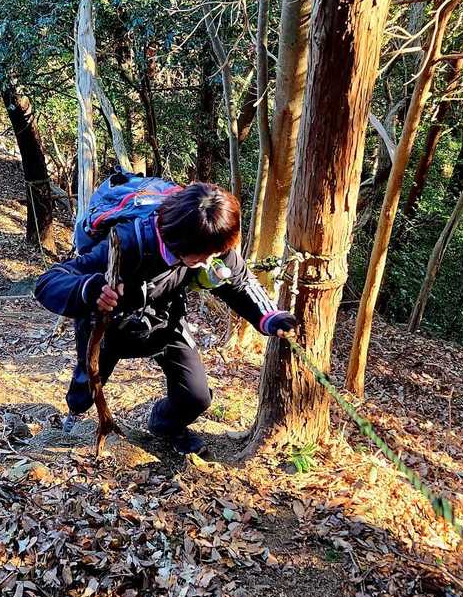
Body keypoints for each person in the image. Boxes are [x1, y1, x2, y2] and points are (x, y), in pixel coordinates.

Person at [35, 182, 297, 454]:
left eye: (215, 255)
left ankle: (166, 425)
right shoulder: (128, 240)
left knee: (196, 397)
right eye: (203, 256)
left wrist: (270, 316)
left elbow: (239, 283)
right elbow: (47, 282)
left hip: (165, 321)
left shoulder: (212, 242)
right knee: (86, 388)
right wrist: (90, 289)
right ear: (180, 241)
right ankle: (75, 416)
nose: (210, 262)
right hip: (108, 326)